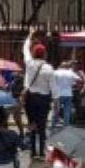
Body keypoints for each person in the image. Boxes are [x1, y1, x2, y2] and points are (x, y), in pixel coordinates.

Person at [22, 29, 54, 159]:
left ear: (34, 53)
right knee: (42, 125)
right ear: (44, 54)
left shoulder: (29, 63)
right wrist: (56, 101)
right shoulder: (49, 68)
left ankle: (32, 152)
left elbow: (25, 49)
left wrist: (29, 36)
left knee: (32, 123)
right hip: (44, 99)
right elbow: (53, 87)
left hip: (31, 98)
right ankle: (41, 152)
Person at [52, 62, 80, 128]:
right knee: (67, 110)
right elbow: (79, 79)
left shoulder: (56, 72)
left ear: (61, 66)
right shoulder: (71, 73)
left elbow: (51, 81)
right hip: (68, 94)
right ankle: (66, 125)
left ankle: (53, 124)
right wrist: (74, 84)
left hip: (58, 94)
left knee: (56, 110)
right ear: (67, 66)